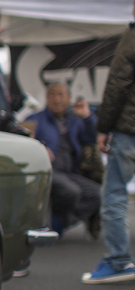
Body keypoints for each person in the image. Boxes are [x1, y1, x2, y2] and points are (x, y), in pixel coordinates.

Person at [82, 10, 135, 284]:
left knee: (114, 194)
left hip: (129, 130)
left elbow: (118, 84)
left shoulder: (132, 36)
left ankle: (119, 261)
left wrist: (103, 127)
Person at [24, 83, 100, 237]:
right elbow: (22, 140)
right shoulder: (34, 119)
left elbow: (92, 138)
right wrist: (39, 148)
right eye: (52, 95)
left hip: (69, 172)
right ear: (47, 98)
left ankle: (61, 221)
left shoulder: (75, 121)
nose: (57, 99)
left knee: (97, 194)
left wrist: (87, 117)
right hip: (46, 171)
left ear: (69, 99)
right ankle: (56, 222)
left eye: (61, 95)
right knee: (71, 191)